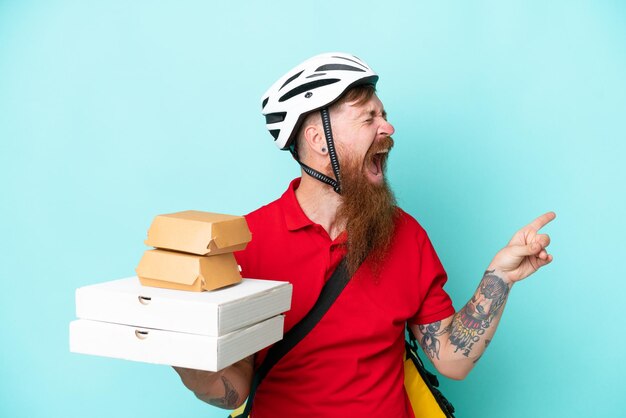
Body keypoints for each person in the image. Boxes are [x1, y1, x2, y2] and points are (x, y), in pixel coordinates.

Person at [174, 52, 555, 417]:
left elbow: (451, 359)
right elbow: (232, 391)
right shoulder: (246, 243)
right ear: (319, 140)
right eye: (368, 117)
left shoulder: (406, 234)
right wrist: (177, 344)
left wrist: (500, 278)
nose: (387, 127)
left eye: (384, 115)